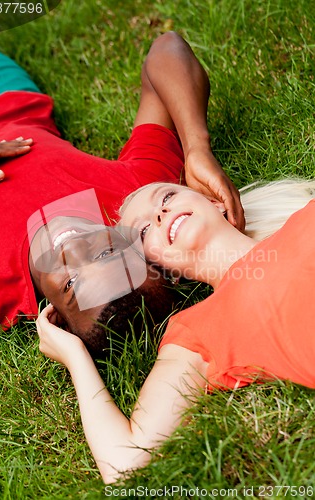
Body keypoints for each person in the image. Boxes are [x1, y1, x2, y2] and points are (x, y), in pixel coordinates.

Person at [37, 176, 315, 484]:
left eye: (167, 197)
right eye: (144, 232)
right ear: (160, 271)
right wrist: (75, 357)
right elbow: (125, 460)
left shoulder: (307, 216)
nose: (160, 214)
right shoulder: (198, 330)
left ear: (215, 202)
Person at [0, 31, 244, 335]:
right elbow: (167, 48)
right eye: (107, 254)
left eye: (71, 283)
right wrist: (196, 146)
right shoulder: (134, 202)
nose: (74, 247)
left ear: (55, 318)